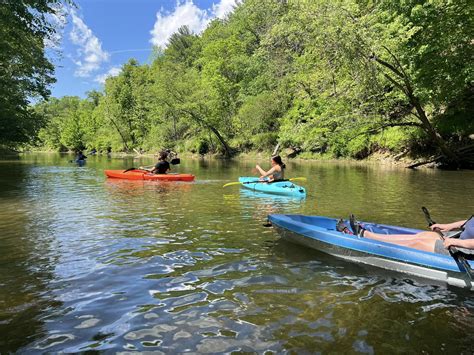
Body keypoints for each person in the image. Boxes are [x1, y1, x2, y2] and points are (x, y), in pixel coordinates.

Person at [336, 215, 474, 255]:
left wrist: (456, 243)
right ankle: (366, 234)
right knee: (420, 236)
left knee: (417, 244)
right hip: (457, 237)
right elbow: (468, 221)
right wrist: (447, 226)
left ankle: (365, 238)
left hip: (463, 248)